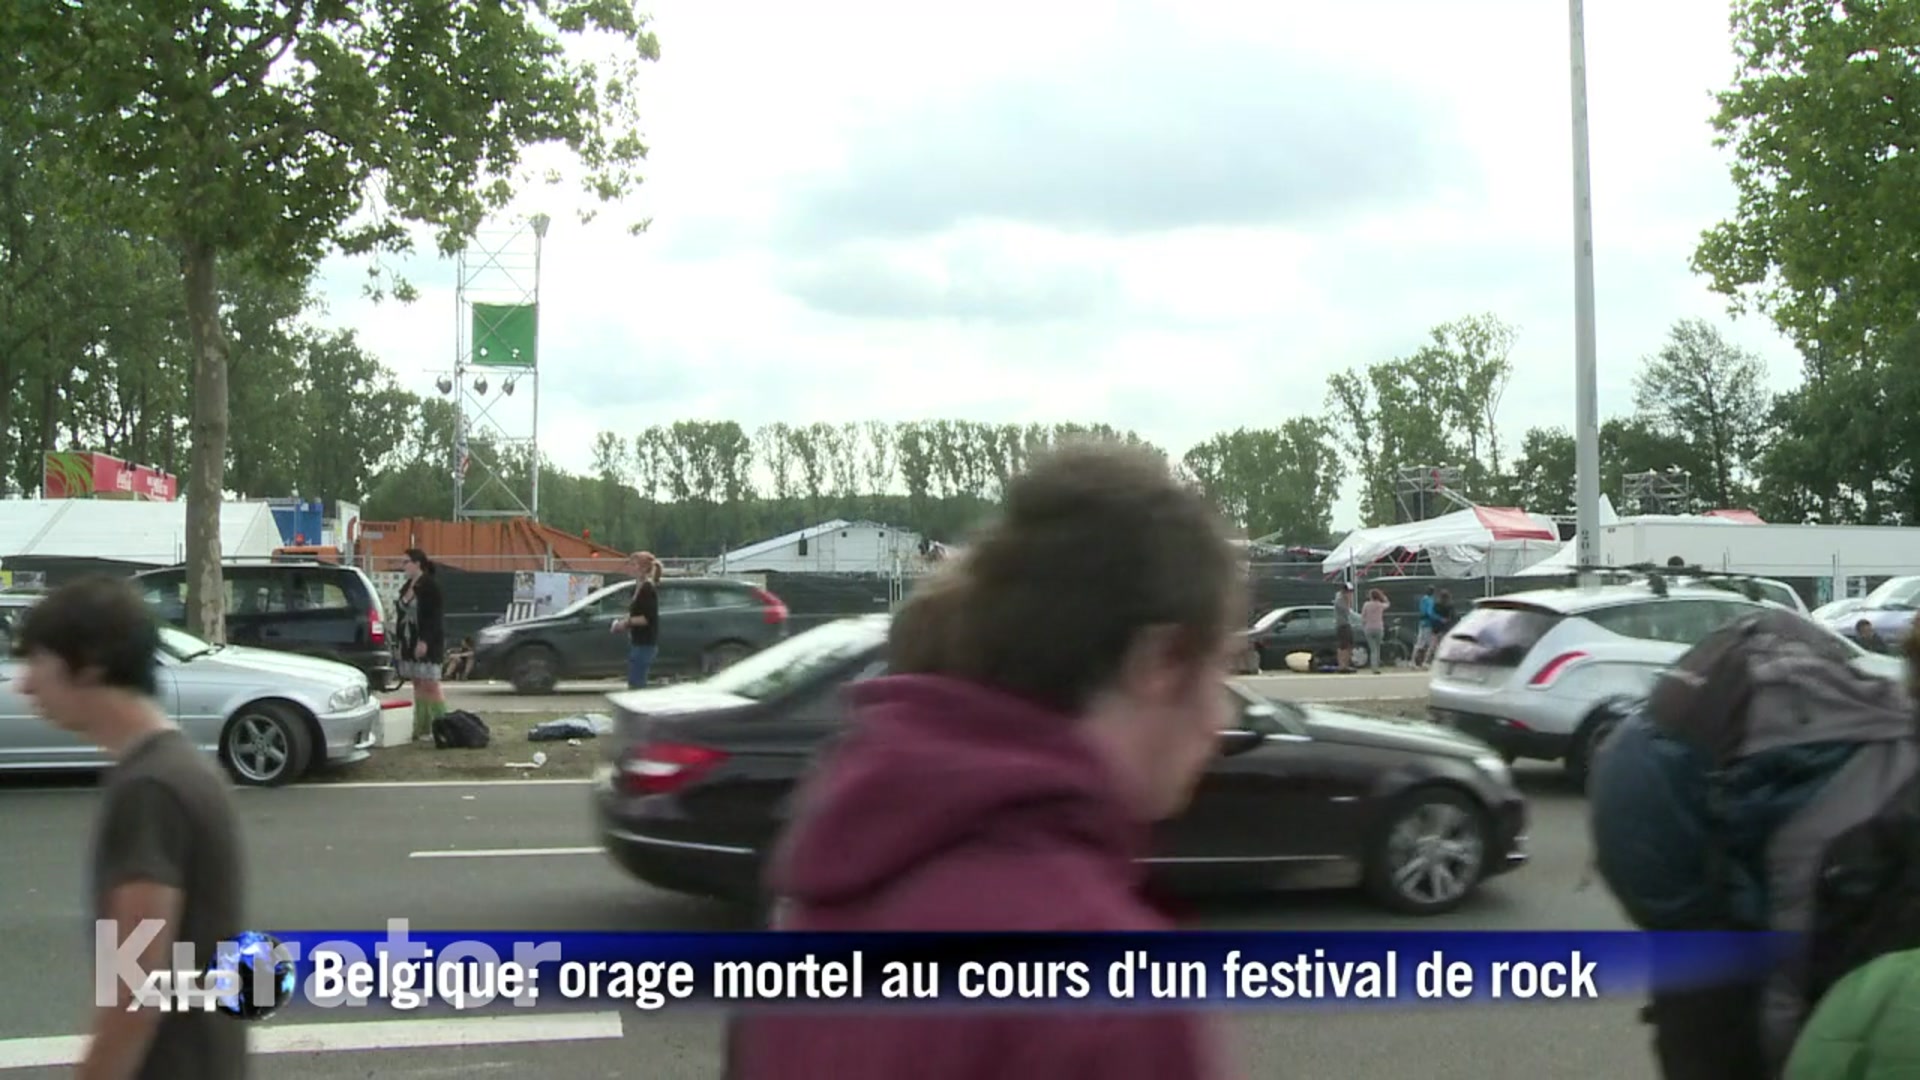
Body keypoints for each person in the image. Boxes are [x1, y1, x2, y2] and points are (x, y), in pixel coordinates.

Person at [727, 440, 1243, 1080]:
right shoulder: (1113, 995)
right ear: (1161, 661)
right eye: (1220, 667)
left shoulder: (817, 893)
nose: (1222, 719)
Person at [12, 577, 246, 1079]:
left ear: (89, 662)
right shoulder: (183, 769)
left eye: (38, 661)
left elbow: (135, 995)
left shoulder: (149, 789)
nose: (24, 684)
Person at [396, 548, 447, 741]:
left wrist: (425, 641)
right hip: (409, 639)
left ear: (417, 563)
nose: (403, 566)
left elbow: (434, 618)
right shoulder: (407, 586)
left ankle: (442, 725)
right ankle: (422, 726)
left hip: (428, 640)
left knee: (431, 683)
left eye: (406, 562)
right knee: (417, 682)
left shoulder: (430, 586)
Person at [612, 552, 661, 689]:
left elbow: (646, 619)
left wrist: (625, 623)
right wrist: (624, 620)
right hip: (638, 642)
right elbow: (637, 613)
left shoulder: (647, 589)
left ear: (643, 568)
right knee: (635, 682)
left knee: (636, 684)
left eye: (633, 564)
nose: (630, 567)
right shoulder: (638, 586)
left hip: (645, 644)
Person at [1361, 589, 1390, 672]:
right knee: (1377, 648)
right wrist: (1385, 598)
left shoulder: (1366, 605)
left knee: (1372, 649)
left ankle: (1374, 667)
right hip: (1379, 628)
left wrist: (1364, 626)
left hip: (1369, 628)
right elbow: (1388, 604)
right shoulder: (1380, 605)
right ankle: (1376, 666)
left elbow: (1363, 617)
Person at [1332, 583, 1357, 672]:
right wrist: (1348, 600)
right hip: (1342, 625)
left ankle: (1346, 664)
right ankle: (1342, 665)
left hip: (1346, 624)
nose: (1350, 594)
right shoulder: (1340, 600)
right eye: (1349, 592)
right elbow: (1347, 611)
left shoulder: (1343, 599)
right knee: (1343, 646)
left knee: (1349, 645)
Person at [1412, 586, 1439, 668]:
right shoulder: (1430, 600)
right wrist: (1438, 618)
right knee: (1430, 643)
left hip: (1422, 622)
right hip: (1428, 623)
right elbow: (1430, 612)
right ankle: (1426, 661)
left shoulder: (1423, 599)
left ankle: (1413, 661)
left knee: (1420, 642)